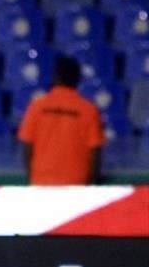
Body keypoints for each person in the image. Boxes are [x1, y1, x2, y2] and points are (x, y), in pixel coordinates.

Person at [18, 56, 104, 185]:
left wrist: (33, 179)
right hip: (76, 185)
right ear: (78, 79)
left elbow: (26, 147)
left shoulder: (36, 107)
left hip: (41, 183)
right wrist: (89, 186)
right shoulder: (89, 110)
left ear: (54, 77)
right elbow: (95, 154)